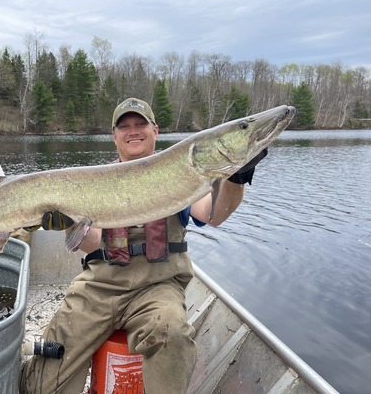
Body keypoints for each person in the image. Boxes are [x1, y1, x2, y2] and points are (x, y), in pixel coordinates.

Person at [19, 97, 268, 393]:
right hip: (100, 286)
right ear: (114, 136)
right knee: (44, 382)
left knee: (173, 332)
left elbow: (213, 215)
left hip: (158, 286)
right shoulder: (94, 181)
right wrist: (68, 222)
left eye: (141, 124)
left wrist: (236, 179)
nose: (133, 131)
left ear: (155, 130)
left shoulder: (183, 170)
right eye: (125, 126)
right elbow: (92, 243)